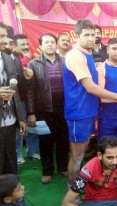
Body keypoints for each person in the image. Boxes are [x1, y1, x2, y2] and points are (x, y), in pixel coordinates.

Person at [63, 19, 117, 185]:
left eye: (93, 35)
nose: (90, 38)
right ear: (77, 36)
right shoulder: (75, 55)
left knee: (84, 152)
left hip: (89, 113)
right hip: (79, 113)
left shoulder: (87, 55)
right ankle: (71, 192)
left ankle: (96, 182)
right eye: (86, 35)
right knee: (77, 155)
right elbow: (90, 88)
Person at [26, 33, 69, 184]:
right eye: (46, 42)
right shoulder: (33, 64)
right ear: (40, 45)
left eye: (52, 42)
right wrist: (31, 113)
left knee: (63, 141)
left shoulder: (65, 61)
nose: (50, 44)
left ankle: (63, 168)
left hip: (64, 109)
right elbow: (29, 91)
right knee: (45, 142)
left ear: (57, 45)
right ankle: (47, 171)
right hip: (43, 110)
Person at [0, 22, 25, 175]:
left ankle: (12, 194)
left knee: (10, 162)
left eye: (5, 36)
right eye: (1, 36)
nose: (4, 40)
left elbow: (14, 89)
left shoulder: (7, 58)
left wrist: (20, 117)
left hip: (9, 120)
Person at [14, 33, 40, 163]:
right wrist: (27, 60)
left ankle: (32, 151)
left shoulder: (32, 57)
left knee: (32, 125)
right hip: (17, 99)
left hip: (30, 98)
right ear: (14, 46)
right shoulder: (12, 58)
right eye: (22, 44)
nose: (25, 47)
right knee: (19, 127)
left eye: (26, 44)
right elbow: (20, 75)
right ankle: (18, 154)